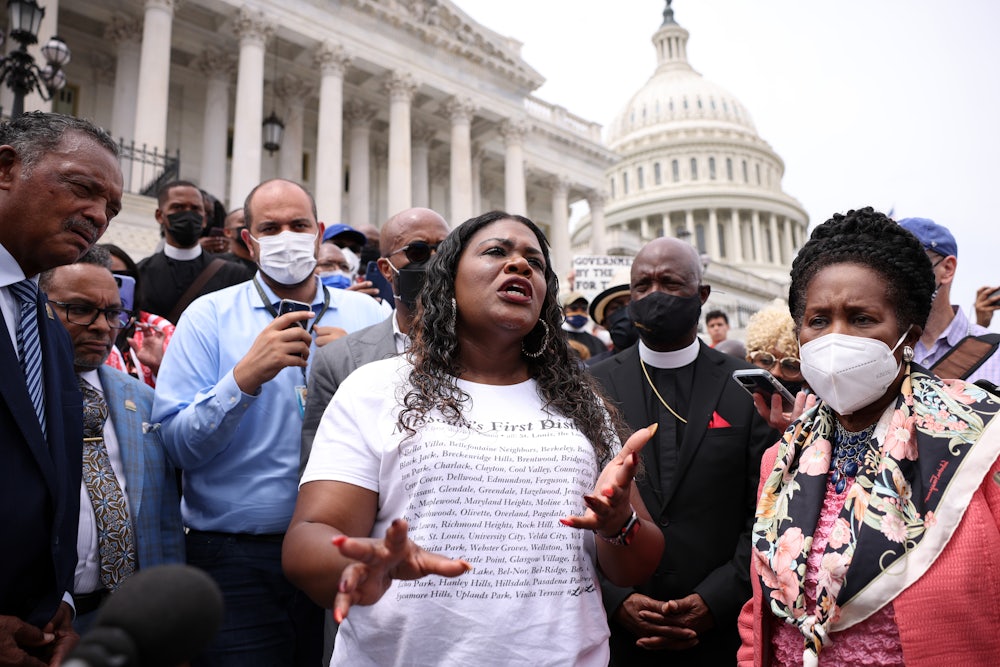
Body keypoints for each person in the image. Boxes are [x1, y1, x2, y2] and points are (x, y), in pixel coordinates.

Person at [283, 211, 664, 666]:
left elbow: (638, 562)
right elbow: (308, 539)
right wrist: (360, 564)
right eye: (497, 252)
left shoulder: (580, 404)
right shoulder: (375, 388)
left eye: (535, 263)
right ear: (449, 278)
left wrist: (619, 525)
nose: (520, 266)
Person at [738, 207, 1000, 666]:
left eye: (861, 319)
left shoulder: (983, 443)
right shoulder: (781, 461)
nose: (835, 337)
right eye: (818, 320)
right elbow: (761, 615)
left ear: (908, 336)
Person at [152, 178, 386, 667]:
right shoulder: (208, 317)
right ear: (248, 240)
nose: (286, 236)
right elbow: (176, 446)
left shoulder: (370, 317)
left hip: (348, 550)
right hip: (237, 561)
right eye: (270, 227)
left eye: (298, 225)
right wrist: (242, 379)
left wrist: (364, 373)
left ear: (319, 232)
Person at [589, 237, 776, 666]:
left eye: (670, 283)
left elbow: (766, 508)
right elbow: (570, 499)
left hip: (722, 631)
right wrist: (618, 598)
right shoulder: (590, 386)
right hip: (618, 635)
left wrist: (715, 600)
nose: (654, 295)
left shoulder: (746, 387)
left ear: (701, 295)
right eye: (642, 285)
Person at [0, 111, 122, 667]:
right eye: (82, 188)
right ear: (6, 169)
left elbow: (52, 475)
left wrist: (59, 600)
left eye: (112, 209)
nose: (98, 216)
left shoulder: (46, 327)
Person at [38, 249, 184, 632]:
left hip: (129, 619)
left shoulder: (144, 400)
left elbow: (163, 520)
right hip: (36, 620)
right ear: (36, 305)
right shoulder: (21, 394)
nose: (103, 327)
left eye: (113, 313)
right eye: (80, 309)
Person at [302, 207, 450, 463]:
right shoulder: (338, 360)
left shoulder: (494, 348)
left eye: (445, 250)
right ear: (386, 269)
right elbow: (322, 468)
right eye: (418, 252)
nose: (436, 261)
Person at [897, 217, 1000, 385]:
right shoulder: (880, 351)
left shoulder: (995, 355)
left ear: (947, 269)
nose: (895, 276)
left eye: (907, 264)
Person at [136, 180, 251, 322]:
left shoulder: (234, 275)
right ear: (160, 216)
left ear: (204, 219)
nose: (188, 214)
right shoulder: (140, 273)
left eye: (195, 209)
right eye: (178, 207)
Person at [100, 243, 175, 388]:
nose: (109, 283)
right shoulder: (68, 325)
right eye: (102, 274)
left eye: (119, 278)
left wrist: (158, 368)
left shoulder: (160, 330)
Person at [586, 266, 637, 366]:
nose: (626, 313)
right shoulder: (589, 372)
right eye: (617, 308)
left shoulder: (668, 365)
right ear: (604, 322)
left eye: (633, 305)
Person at [562, 291, 608, 357]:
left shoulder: (597, 343)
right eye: (574, 308)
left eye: (584, 308)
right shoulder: (553, 337)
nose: (579, 311)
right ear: (563, 310)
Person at [216, 207, 258, 275]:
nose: (250, 225)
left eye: (253, 221)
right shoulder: (218, 264)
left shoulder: (266, 264)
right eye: (244, 221)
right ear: (228, 232)